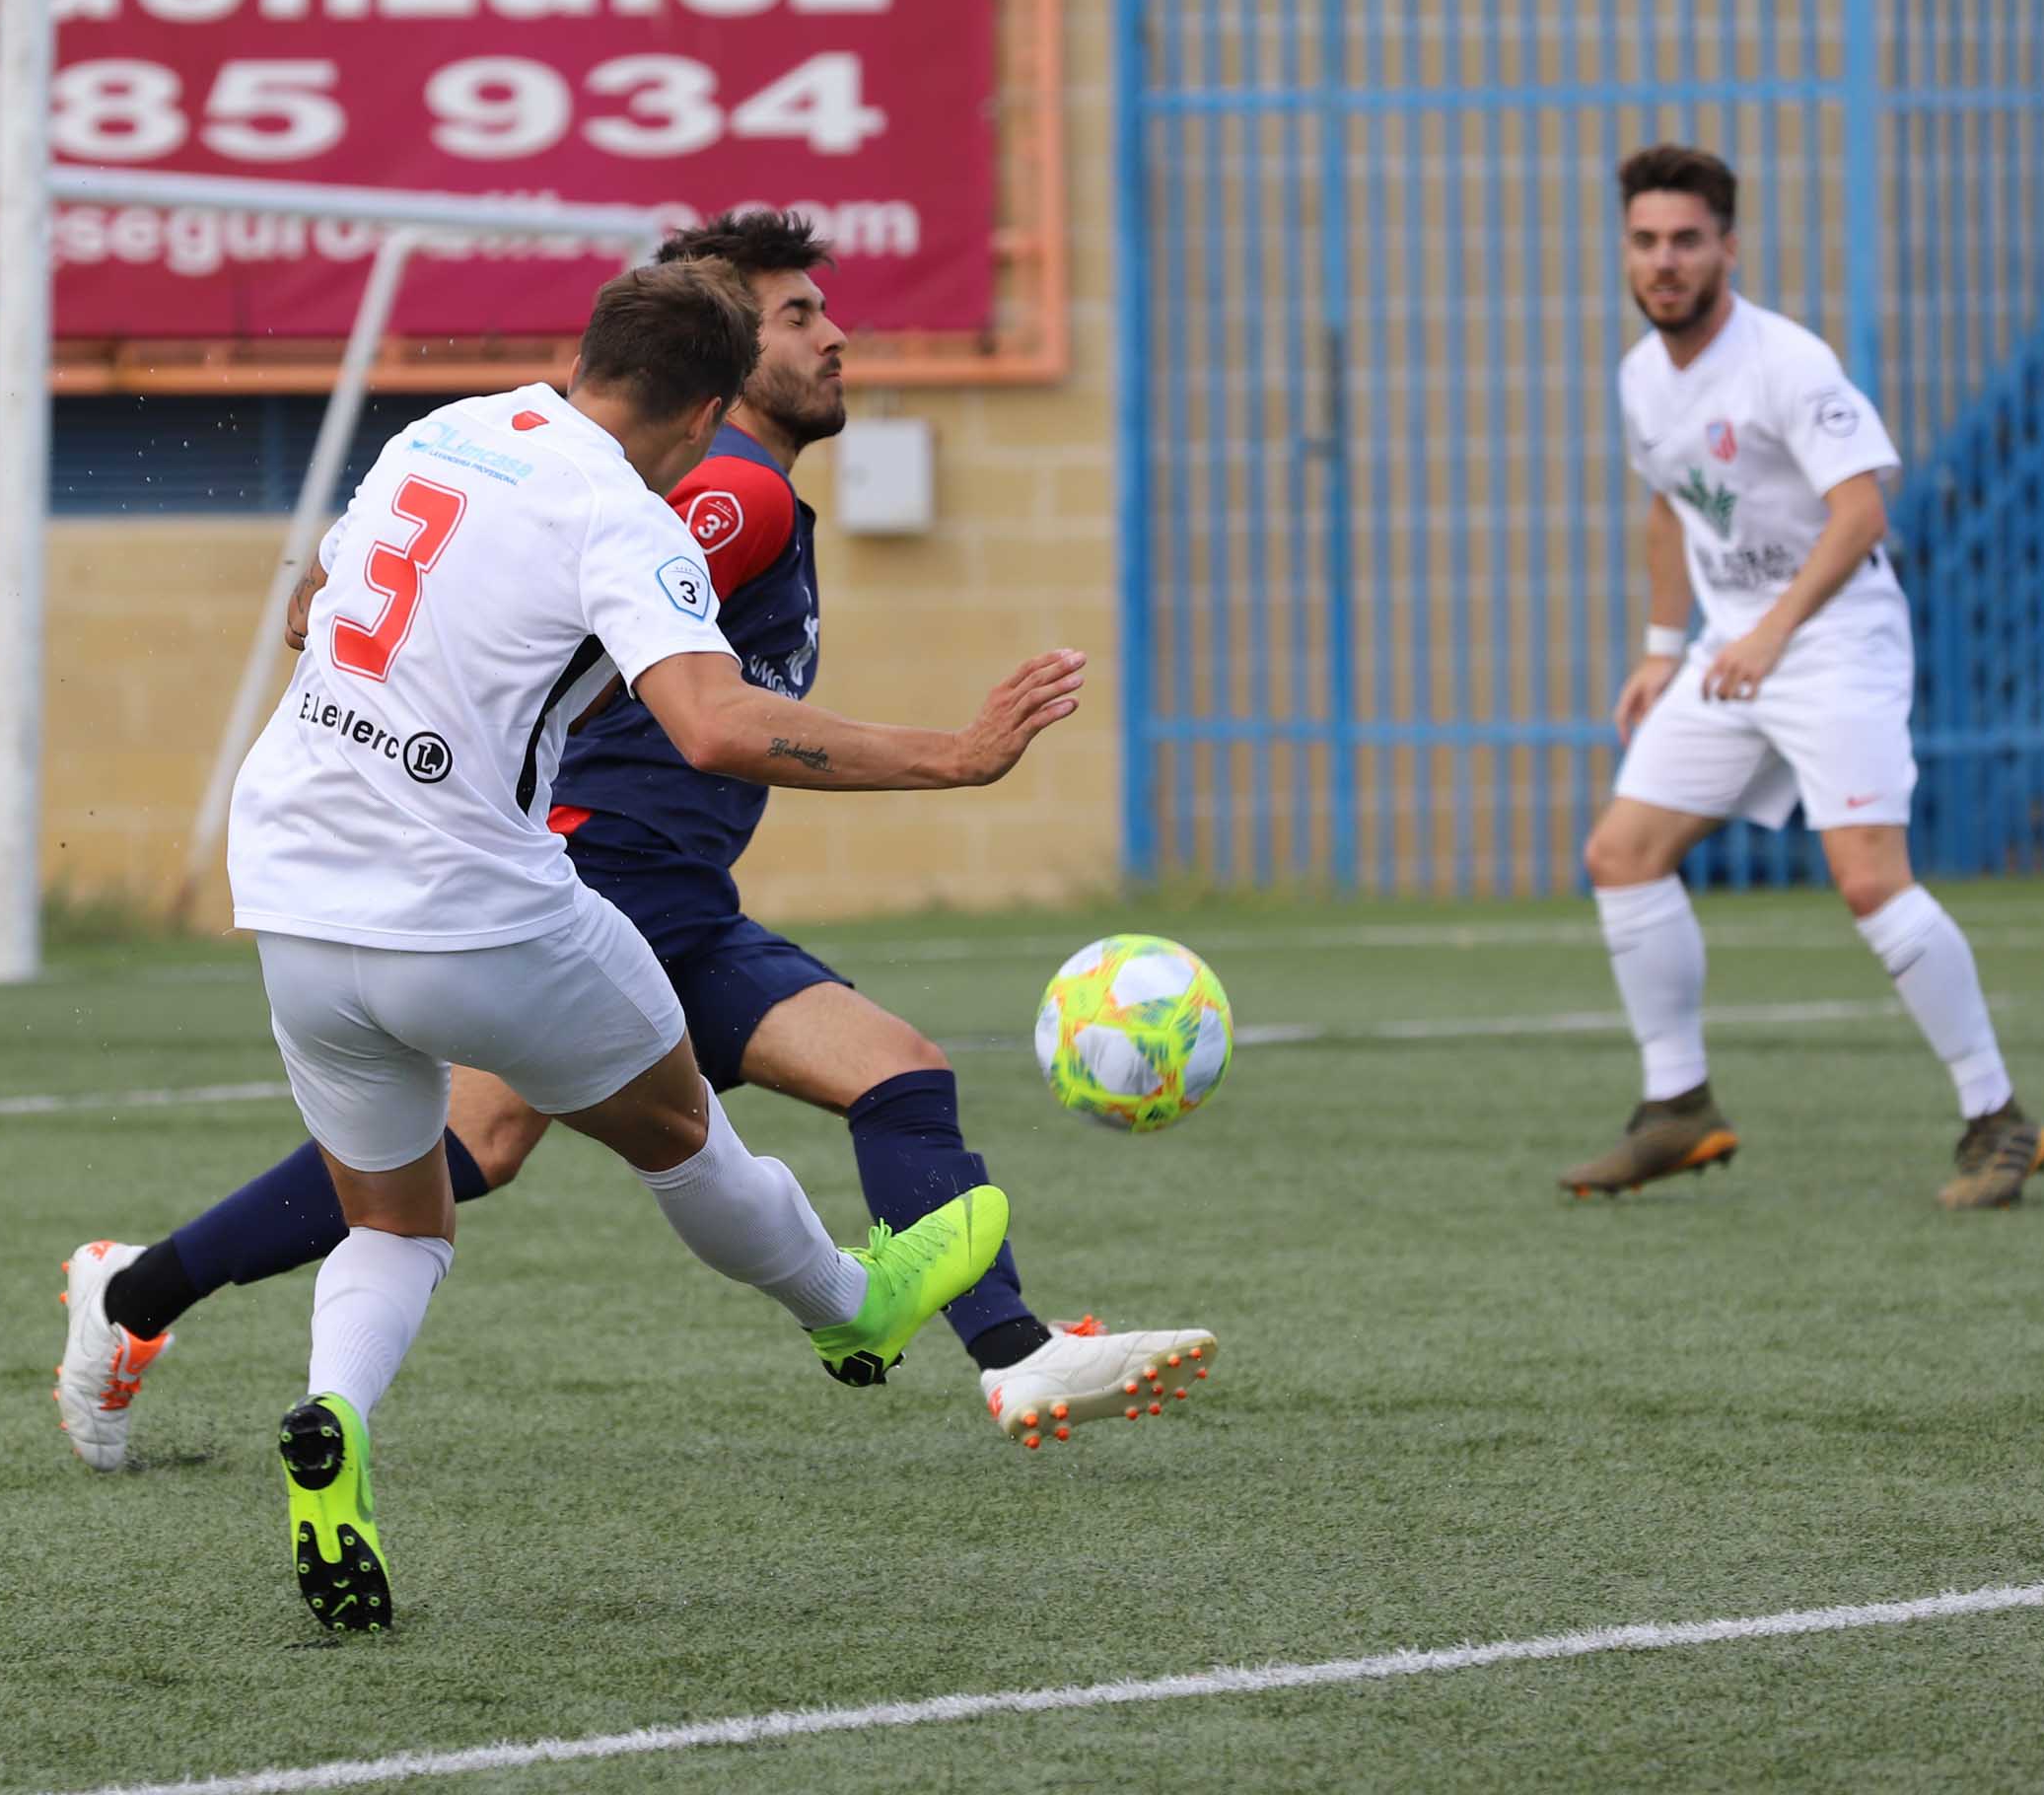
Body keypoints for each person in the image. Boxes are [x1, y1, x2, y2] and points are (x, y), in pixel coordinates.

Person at [68, 212, 1213, 1461]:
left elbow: (343, 601)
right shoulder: (716, 498)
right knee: (583, 1146)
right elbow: (710, 715)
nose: (835, 337)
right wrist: (957, 753)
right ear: (715, 386)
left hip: (606, 886)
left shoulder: (475, 436)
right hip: (575, 877)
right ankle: (985, 1345)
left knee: (534, 1142)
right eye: (797, 317)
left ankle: (138, 1293)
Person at [1563, 145, 2044, 1210]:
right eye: (1646, 241)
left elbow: (1862, 511)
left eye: (1687, 240)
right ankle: (1677, 1105)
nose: (1665, 262)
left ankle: (1999, 1118)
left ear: (1728, 248)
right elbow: (1669, 506)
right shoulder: (1641, 376)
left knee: (1870, 879)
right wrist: (1660, 651)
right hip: (1731, 651)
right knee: (1623, 854)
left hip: (1833, 642)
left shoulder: (1787, 361)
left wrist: (1773, 634)